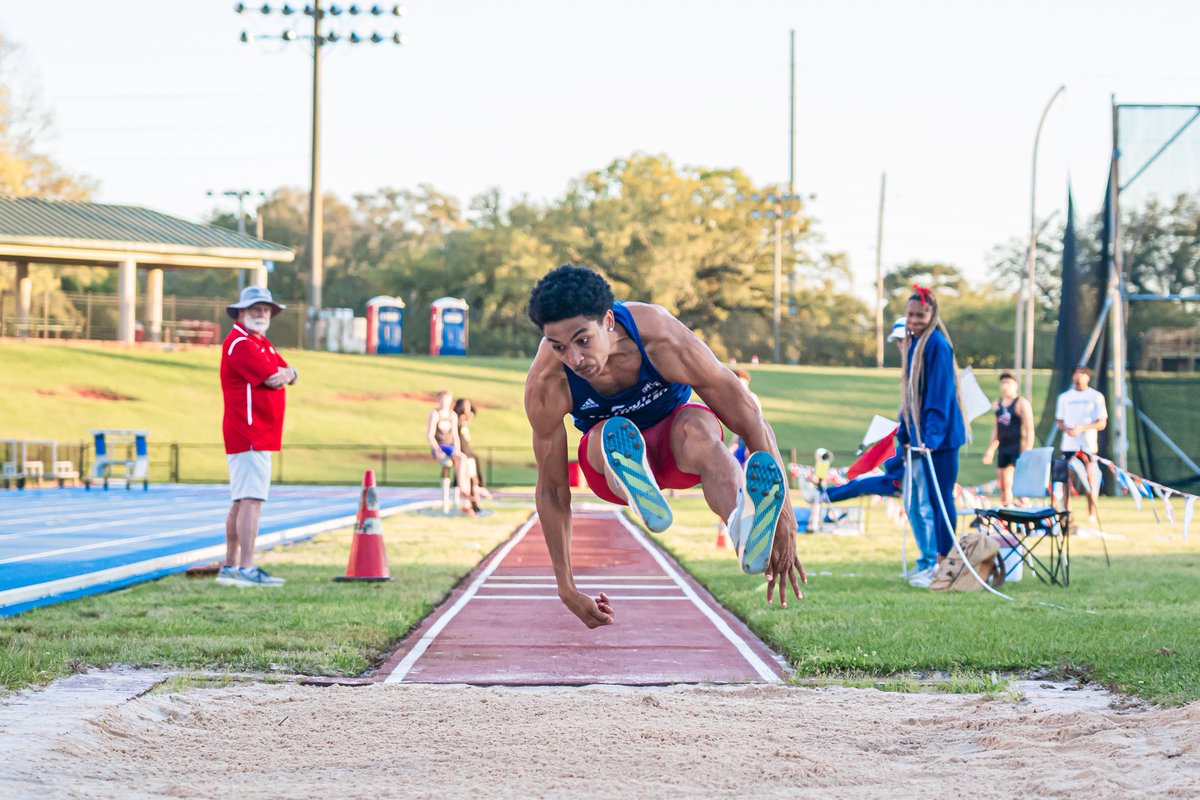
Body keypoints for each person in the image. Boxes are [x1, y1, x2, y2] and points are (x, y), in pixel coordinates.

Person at [523, 264, 806, 628]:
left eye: (582, 341)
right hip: (605, 467)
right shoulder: (547, 381)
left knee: (702, 427)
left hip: (678, 448)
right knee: (611, 430)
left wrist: (783, 511)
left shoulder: (660, 336)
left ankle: (744, 525)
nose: (574, 359)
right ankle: (632, 472)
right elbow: (552, 489)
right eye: (558, 346)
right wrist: (566, 587)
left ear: (608, 321)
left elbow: (748, 415)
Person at [216, 286, 297, 588]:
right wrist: (288, 374)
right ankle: (245, 568)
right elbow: (274, 377)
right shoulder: (241, 344)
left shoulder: (259, 341)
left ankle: (231, 567)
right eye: (254, 309)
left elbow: (287, 370)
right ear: (240, 312)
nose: (261, 314)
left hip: (256, 432)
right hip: (250, 431)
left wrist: (291, 372)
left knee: (242, 499)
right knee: (251, 499)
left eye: (265, 309)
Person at [897, 286, 968, 589]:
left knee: (941, 501)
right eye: (910, 314)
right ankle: (934, 561)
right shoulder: (914, 345)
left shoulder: (936, 344)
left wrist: (932, 437)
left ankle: (944, 562)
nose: (913, 320)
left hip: (939, 440)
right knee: (925, 501)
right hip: (921, 437)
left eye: (920, 315)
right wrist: (905, 431)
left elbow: (940, 393)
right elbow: (911, 396)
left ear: (932, 315)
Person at [1055, 366, 1107, 521]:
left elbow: (1102, 422)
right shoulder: (1064, 397)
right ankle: (1066, 512)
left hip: (1088, 447)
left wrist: (1083, 428)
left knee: (1090, 480)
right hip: (1068, 447)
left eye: (1082, 374)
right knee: (1066, 479)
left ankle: (1091, 513)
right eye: (1076, 373)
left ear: (1088, 377)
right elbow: (1059, 420)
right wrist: (1068, 429)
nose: (1079, 377)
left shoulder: (1096, 396)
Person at [982, 371, 1034, 506]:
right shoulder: (997, 404)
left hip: (1018, 446)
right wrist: (991, 450)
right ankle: (1006, 510)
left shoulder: (1021, 403)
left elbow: (1029, 429)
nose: (1005, 386)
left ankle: (1024, 508)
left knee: (1020, 485)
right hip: (1004, 447)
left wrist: (1028, 450)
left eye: (1009, 383)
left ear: (1015, 385)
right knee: (1003, 483)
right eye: (1003, 383)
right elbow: (996, 429)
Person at [427, 389, 473, 514]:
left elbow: (455, 436)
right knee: (459, 460)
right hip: (440, 447)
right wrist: (437, 450)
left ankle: (464, 493)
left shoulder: (452, 415)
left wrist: (457, 450)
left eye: (447, 400)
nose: (444, 403)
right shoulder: (435, 414)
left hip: (450, 447)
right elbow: (430, 436)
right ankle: (463, 489)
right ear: (438, 400)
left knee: (463, 461)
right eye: (442, 399)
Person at [454, 397, 492, 512]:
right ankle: (471, 501)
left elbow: (472, 414)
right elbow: (462, 420)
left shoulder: (465, 421)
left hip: (468, 452)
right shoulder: (456, 419)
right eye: (465, 406)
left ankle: (476, 498)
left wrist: (469, 412)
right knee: (470, 477)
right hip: (462, 451)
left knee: (474, 475)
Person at [727, 368, 762, 467]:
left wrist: (750, 447)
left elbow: (757, 424)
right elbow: (739, 429)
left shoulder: (751, 398)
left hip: (748, 446)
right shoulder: (739, 400)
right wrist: (731, 446)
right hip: (742, 445)